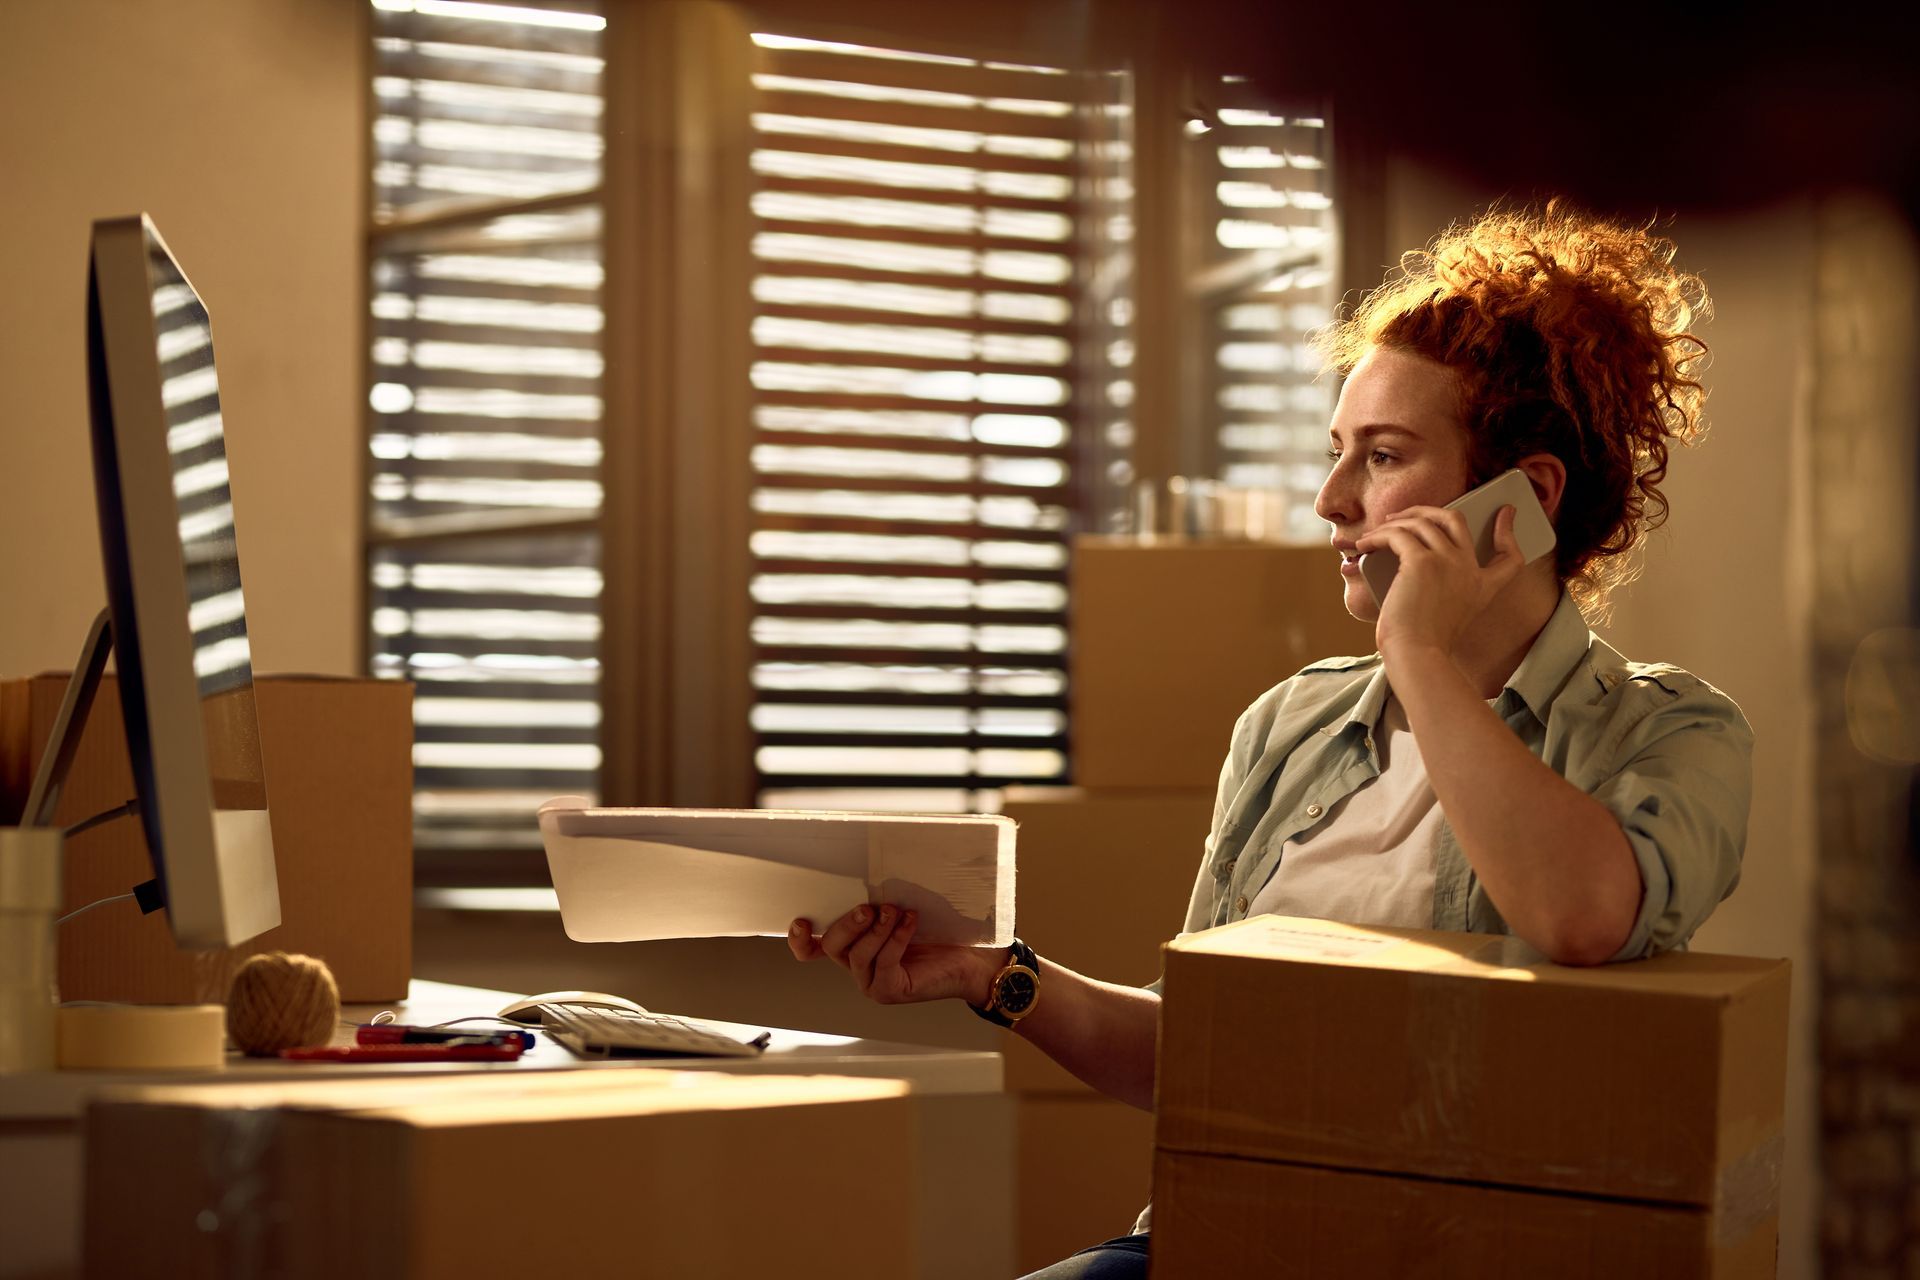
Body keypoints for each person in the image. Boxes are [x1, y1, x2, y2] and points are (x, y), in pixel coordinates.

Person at [787, 201, 1753, 1279]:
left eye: (1380, 457)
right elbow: (1204, 1053)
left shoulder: (1673, 731)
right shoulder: (1290, 724)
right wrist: (990, 974)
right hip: (1222, 1243)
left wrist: (1421, 654)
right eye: (1337, 454)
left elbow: (1578, 916)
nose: (1332, 499)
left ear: (1520, 501)